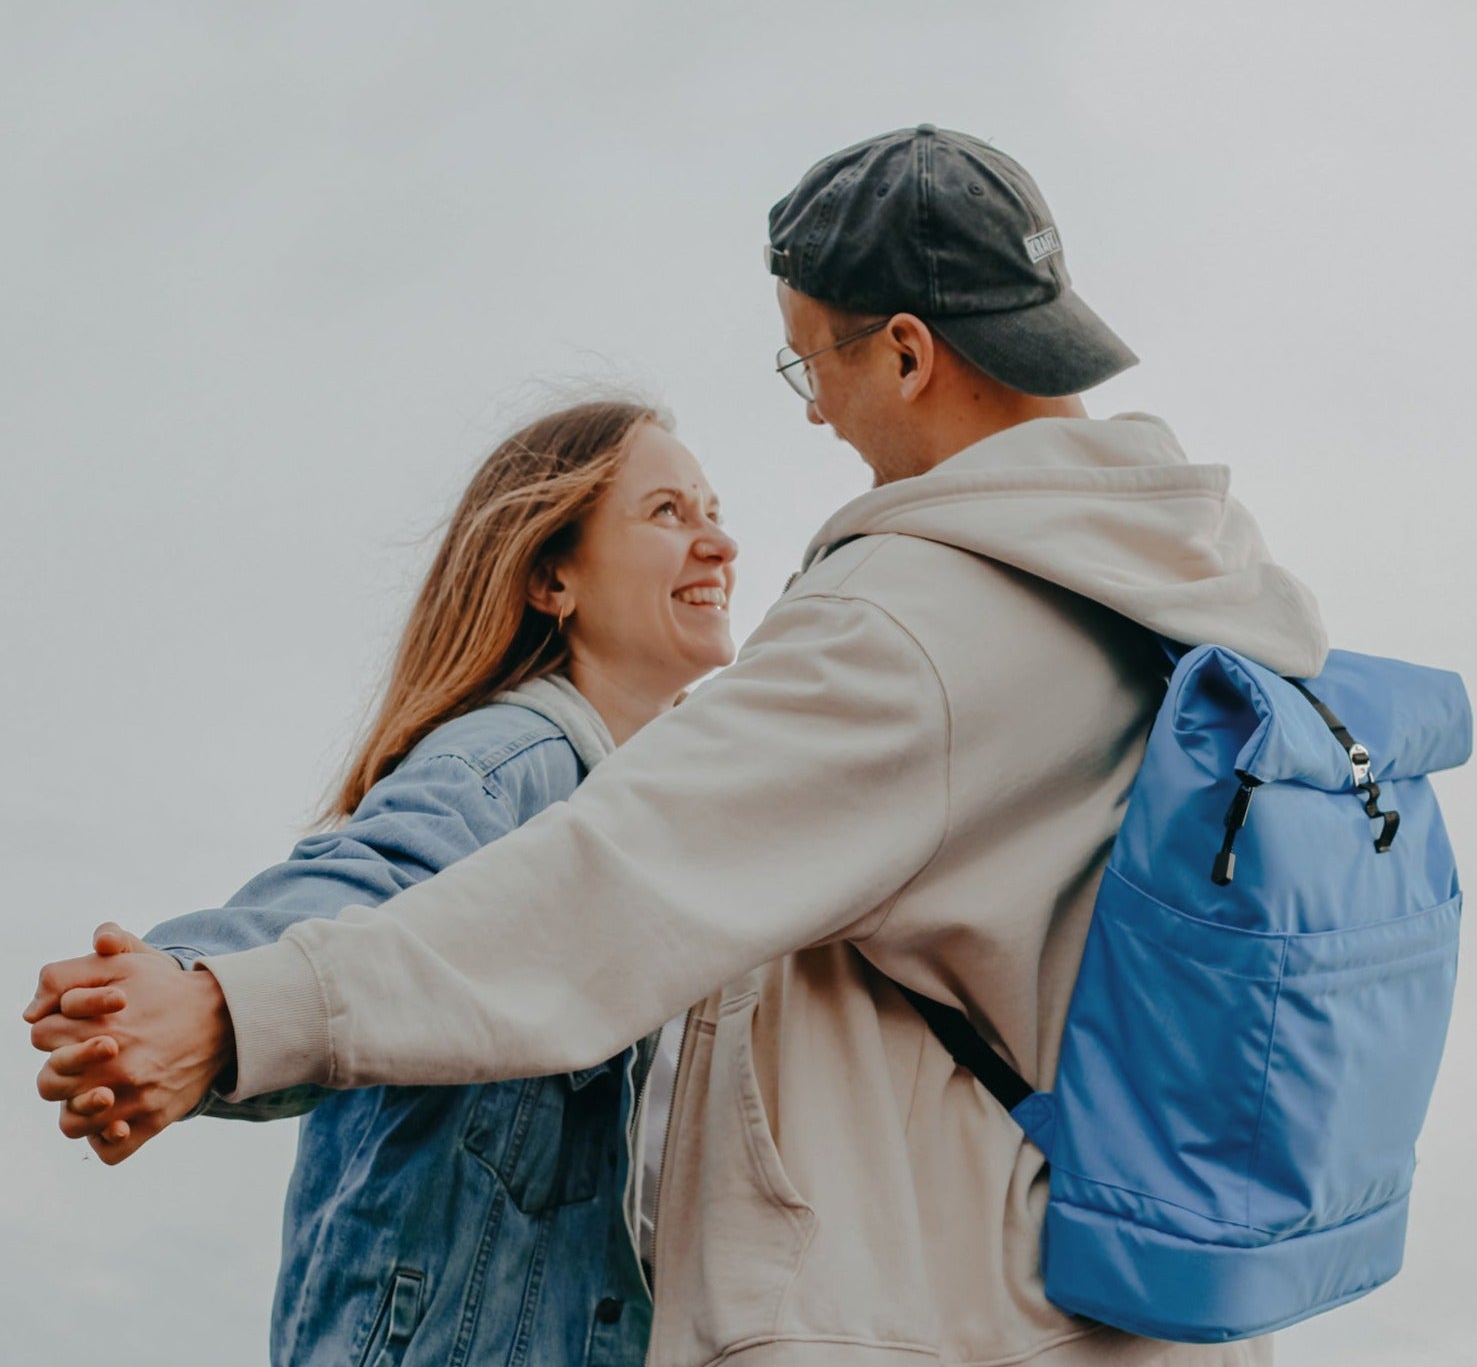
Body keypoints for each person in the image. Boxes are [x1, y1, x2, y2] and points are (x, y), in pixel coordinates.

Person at [30, 126, 1328, 1366]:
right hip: (1121, 1309)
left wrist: (229, 1007)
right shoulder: (1180, 615)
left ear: (910, 355)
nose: (816, 415)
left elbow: (608, 885)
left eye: (808, 362)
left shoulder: (919, 628)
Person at [28, 398, 738, 1366]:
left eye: (713, 509)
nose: (718, 542)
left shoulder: (654, 821)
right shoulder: (510, 758)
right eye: (668, 512)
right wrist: (201, 994)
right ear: (550, 576)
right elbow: (374, 882)